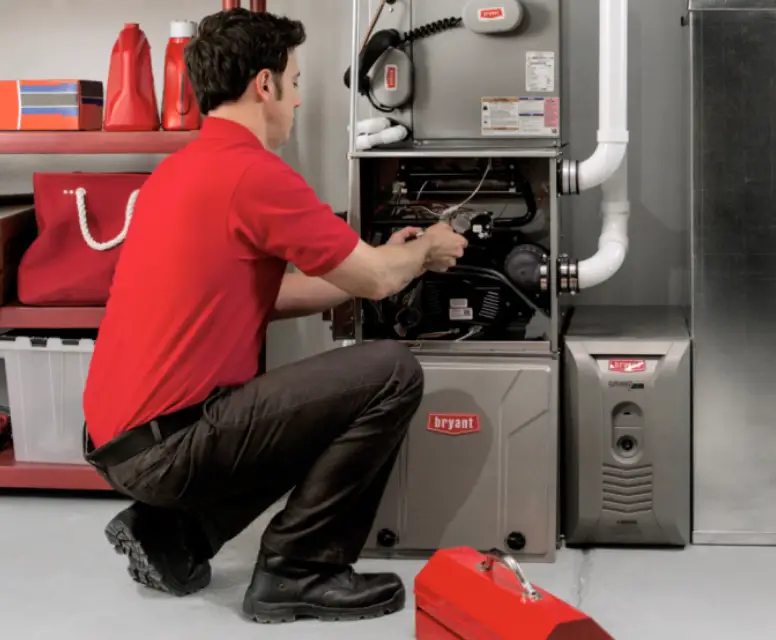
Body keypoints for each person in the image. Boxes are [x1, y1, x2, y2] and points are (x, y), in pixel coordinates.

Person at [82, 7, 467, 625]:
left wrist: (375, 270)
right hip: (169, 449)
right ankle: (300, 570)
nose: (298, 99)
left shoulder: (178, 171)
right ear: (264, 84)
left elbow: (265, 295)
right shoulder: (254, 173)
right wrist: (426, 251)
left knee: (304, 405)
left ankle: (172, 535)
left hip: (118, 444)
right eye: (295, 82)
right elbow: (374, 278)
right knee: (391, 372)